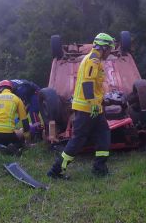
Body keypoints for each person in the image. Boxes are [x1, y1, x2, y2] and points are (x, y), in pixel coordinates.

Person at [47, 33, 116, 179]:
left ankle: (99, 168)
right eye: (110, 49)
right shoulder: (92, 60)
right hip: (87, 109)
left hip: (94, 108)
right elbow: (87, 84)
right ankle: (56, 170)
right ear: (103, 47)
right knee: (78, 141)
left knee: (104, 135)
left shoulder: (96, 59)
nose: (110, 52)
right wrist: (92, 104)